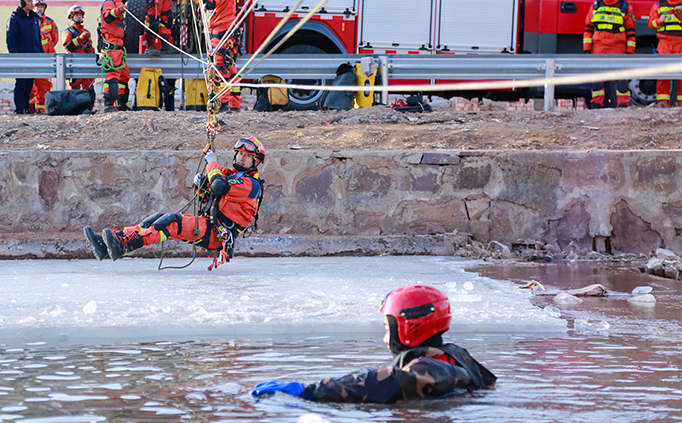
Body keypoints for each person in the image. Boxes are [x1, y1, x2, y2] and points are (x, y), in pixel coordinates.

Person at [252, 284, 497, 403]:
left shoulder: (433, 367)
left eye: (386, 329)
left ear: (408, 326)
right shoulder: (454, 355)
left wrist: (311, 390)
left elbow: (387, 383)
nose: (385, 339)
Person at [83, 137, 265, 267]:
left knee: (170, 222)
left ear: (255, 160)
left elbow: (218, 186)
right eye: (240, 153)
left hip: (217, 235)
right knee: (156, 219)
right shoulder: (232, 175)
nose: (241, 157)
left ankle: (123, 245)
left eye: (247, 156)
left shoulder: (251, 184)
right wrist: (201, 185)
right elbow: (210, 194)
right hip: (210, 225)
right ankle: (111, 243)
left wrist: (212, 162)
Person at [583, 0, 636, 108]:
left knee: (621, 80)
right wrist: (587, 49)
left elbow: (631, 31)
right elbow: (588, 28)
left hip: (617, 49)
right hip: (598, 48)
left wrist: (630, 52)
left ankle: (622, 106)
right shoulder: (596, 5)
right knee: (597, 80)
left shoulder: (625, 7)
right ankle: (596, 106)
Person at [203, 0, 241, 112]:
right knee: (231, 69)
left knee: (220, 70)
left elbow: (209, 4)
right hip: (229, 35)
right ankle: (235, 104)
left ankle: (223, 105)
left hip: (220, 35)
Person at [98, 0, 135, 112]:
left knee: (124, 77)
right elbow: (108, 17)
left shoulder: (117, 5)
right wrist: (118, 10)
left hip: (119, 49)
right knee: (112, 76)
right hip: (112, 48)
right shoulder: (109, 3)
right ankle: (108, 105)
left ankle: (121, 104)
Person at [648, 0, 682, 108]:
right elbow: (651, 23)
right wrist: (659, 21)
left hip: (680, 43)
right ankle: (663, 104)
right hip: (664, 44)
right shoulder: (659, 6)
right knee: (663, 76)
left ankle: (680, 106)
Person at [6, 0, 43, 114]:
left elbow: (38, 39)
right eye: (28, 1)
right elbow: (11, 39)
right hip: (21, 57)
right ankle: (20, 109)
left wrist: (41, 55)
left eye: (31, 1)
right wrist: (15, 57)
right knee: (21, 84)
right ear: (22, 2)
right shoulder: (15, 18)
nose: (31, 3)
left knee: (29, 85)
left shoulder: (33, 18)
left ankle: (27, 108)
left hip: (33, 57)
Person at [31, 0, 59, 113]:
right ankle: (30, 109)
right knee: (31, 89)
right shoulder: (28, 26)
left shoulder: (50, 23)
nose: (39, 8)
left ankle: (41, 110)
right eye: (37, 6)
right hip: (32, 63)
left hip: (44, 62)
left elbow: (54, 40)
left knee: (44, 88)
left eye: (41, 6)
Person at [61, 5, 95, 91]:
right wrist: (80, 39)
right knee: (74, 90)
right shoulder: (68, 31)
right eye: (76, 15)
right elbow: (68, 47)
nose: (79, 17)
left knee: (89, 89)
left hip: (86, 65)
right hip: (74, 65)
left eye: (80, 15)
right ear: (71, 17)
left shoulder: (86, 32)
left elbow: (90, 49)